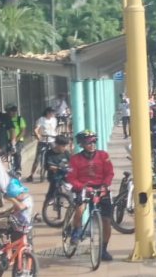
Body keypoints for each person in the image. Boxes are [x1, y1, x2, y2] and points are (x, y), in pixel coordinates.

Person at [67, 130, 115, 261]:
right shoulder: (75, 159)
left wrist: (105, 185)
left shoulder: (103, 156)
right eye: (89, 142)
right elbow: (71, 177)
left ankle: (103, 249)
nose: (92, 144)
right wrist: (82, 187)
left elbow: (109, 173)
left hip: (101, 187)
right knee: (80, 209)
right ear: (81, 144)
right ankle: (76, 230)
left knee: (107, 221)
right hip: (82, 187)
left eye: (94, 141)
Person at [41, 135, 71, 214]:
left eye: (65, 146)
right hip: (54, 176)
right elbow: (48, 166)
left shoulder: (66, 153)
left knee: (71, 189)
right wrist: (57, 168)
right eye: (63, 146)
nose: (64, 148)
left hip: (66, 175)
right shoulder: (49, 153)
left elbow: (72, 163)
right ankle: (46, 205)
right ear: (57, 145)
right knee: (52, 190)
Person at [27, 106, 58, 182]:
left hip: (52, 140)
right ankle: (31, 175)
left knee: (55, 155)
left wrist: (56, 135)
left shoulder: (54, 120)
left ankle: (56, 172)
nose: (53, 114)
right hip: (43, 140)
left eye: (53, 112)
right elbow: (36, 129)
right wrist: (37, 135)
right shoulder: (41, 119)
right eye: (51, 112)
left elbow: (54, 129)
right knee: (37, 158)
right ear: (47, 112)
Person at [5, 105, 27, 173]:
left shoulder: (19, 119)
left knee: (17, 153)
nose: (14, 112)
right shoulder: (5, 119)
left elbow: (23, 131)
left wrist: (16, 139)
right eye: (12, 111)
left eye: (15, 111)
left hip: (18, 140)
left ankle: (18, 169)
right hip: (7, 140)